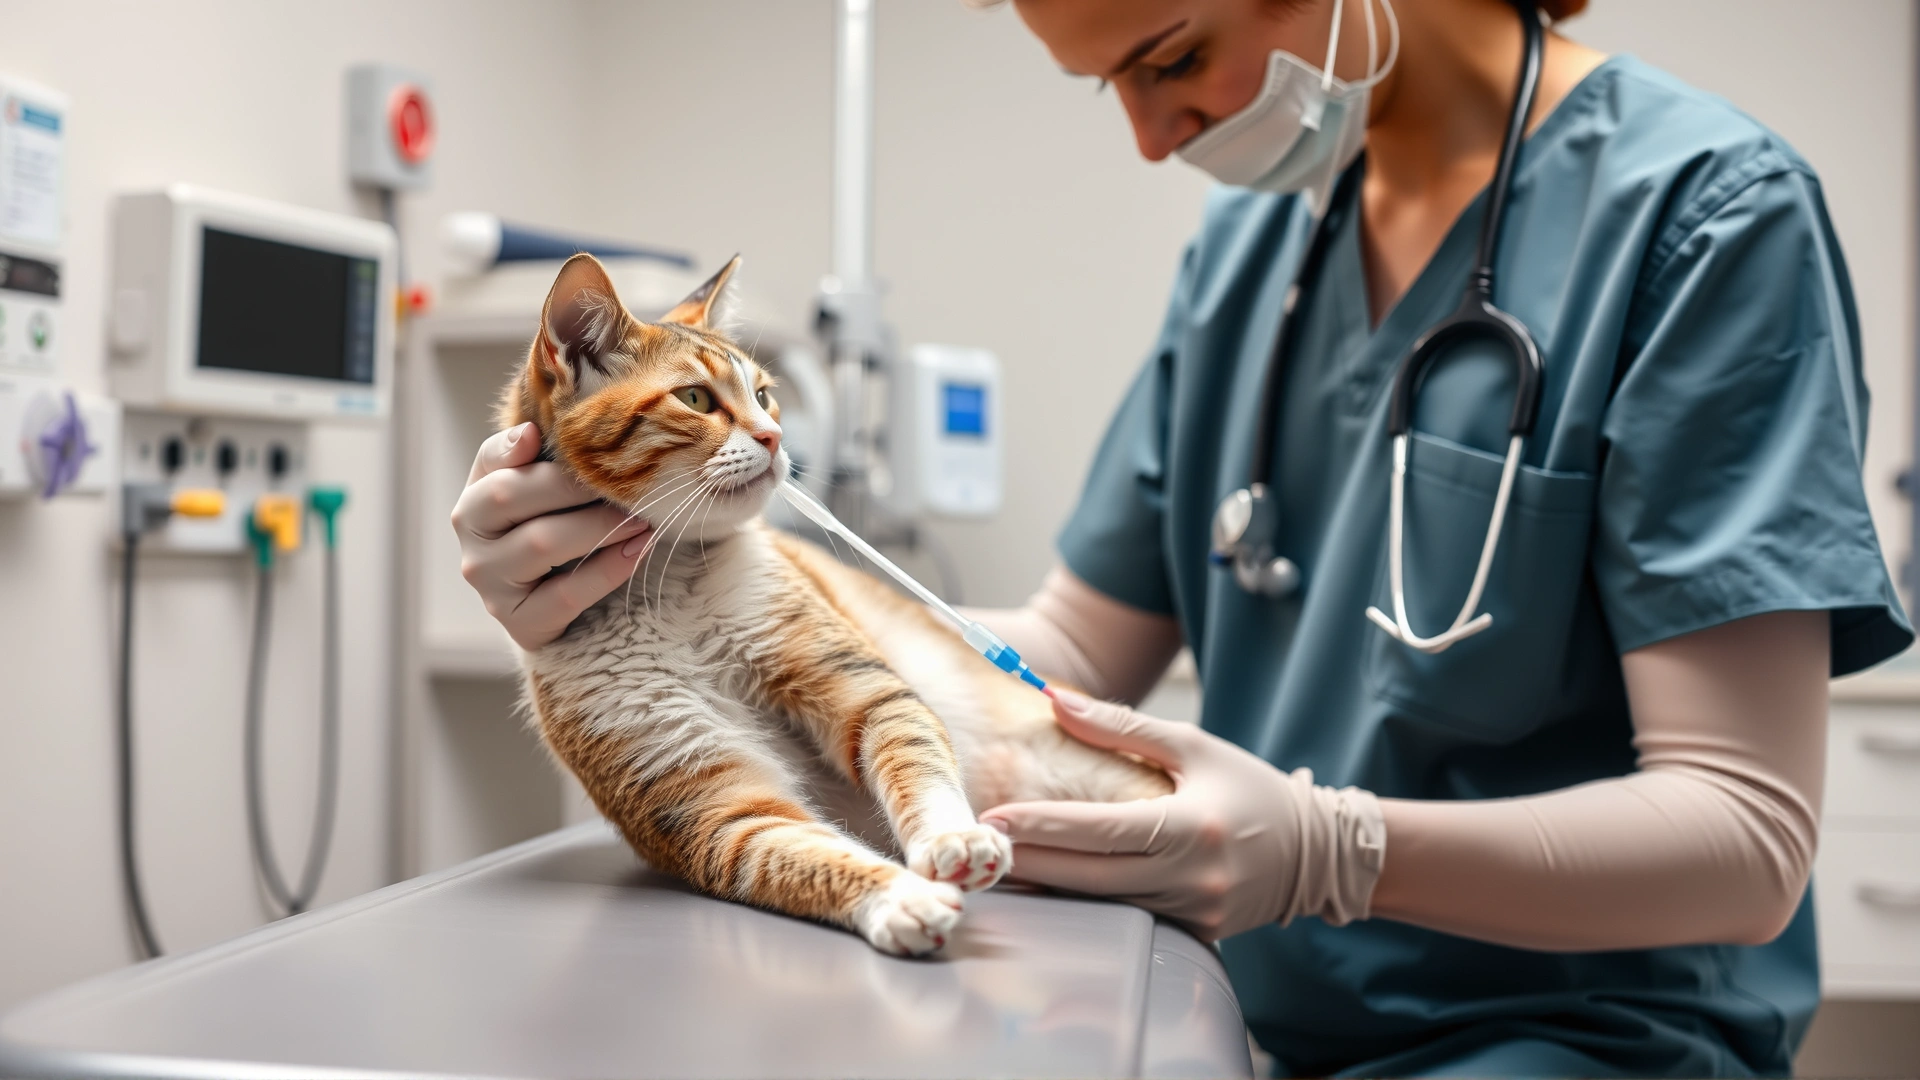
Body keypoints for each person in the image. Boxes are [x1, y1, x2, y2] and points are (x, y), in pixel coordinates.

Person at [452, 0, 1911, 1074]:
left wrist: (1333, 851)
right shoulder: (1252, 254)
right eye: (1114, 94)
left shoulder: (1703, 218)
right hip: (1241, 1012)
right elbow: (1072, 649)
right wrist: (653, 595)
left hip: (1579, 1039)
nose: (1155, 142)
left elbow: (1744, 833)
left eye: (1168, 58)